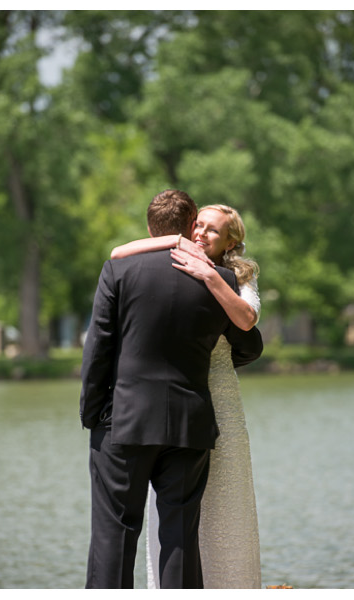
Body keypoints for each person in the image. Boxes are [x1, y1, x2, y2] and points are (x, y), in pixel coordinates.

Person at [81, 190, 263, 588]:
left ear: (151, 229)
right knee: (180, 537)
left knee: (115, 533)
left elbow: (99, 347)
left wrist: (92, 414)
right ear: (189, 225)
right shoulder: (222, 280)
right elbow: (250, 343)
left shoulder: (119, 271)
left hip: (123, 421)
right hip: (189, 422)